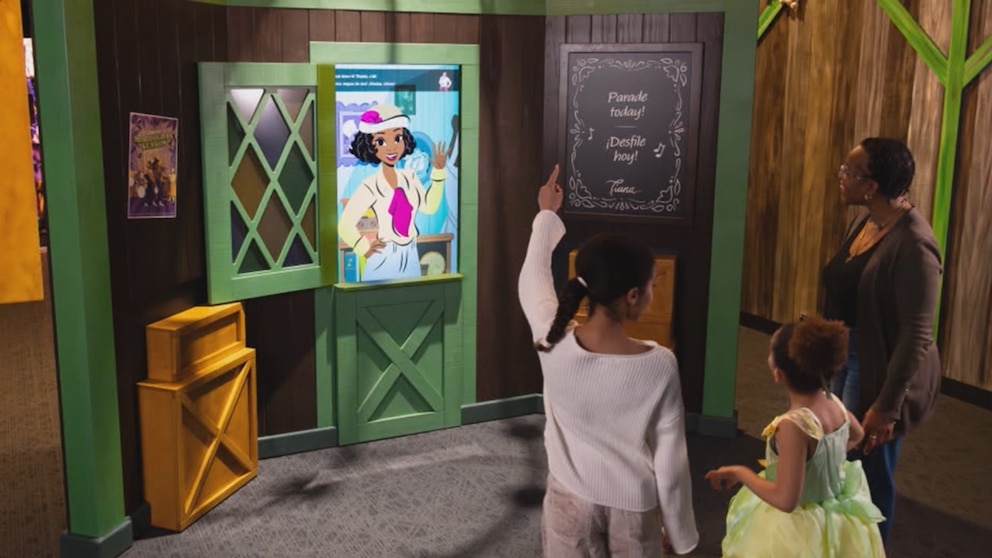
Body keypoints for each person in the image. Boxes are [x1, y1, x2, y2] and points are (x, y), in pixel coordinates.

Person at [518, 165, 698, 557]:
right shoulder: (659, 364)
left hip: (567, 498)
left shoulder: (552, 341)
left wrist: (546, 213)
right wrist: (680, 533)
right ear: (633, 295)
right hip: (633, 508)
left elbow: (532, 280)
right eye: (651, 285)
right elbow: (671, 460)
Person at [821, 137, 942, 541]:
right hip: (846, 355)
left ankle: (873, 547)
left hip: (877, 366)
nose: (841, 175)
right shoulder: (869, 220)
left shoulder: (915, 244)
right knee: (840, 460)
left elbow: (917, 335)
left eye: (849, 171)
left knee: (869, 469)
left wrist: (887, 406)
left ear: (871, 186)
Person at [706, 316, 886, 557]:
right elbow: (858, 434)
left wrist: (741, 473)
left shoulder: (793, 426)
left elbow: (786, 500)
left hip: (797, 532)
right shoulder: (833, 403)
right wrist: (821, 462)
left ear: (778, 374)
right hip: (834, 521)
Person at [339, 103, 446, 281]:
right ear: (370, 146)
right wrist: (364, 248)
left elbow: (429, 206)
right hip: (383, 258)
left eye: (397, 138)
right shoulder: (370, 185)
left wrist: (438, 173)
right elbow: (344, 225)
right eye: (381, 141)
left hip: (411, 255)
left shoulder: (410, 178)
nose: (391, 147)